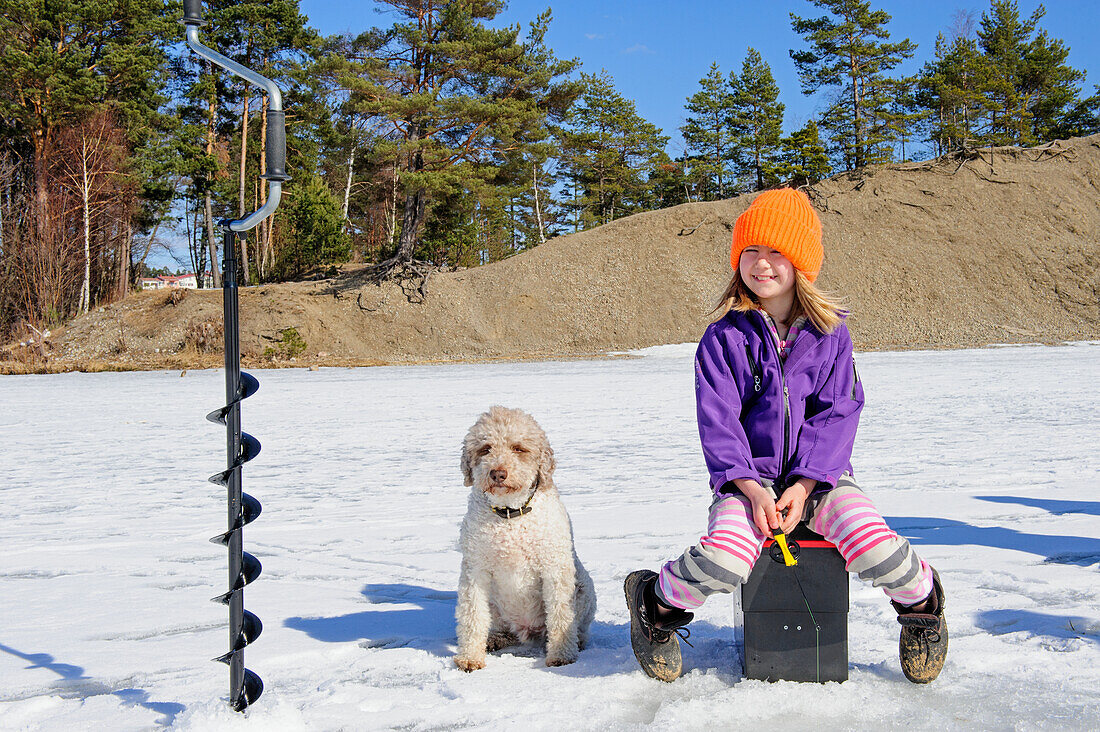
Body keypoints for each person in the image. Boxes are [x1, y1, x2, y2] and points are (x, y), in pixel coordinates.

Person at [624, 188, 947, 684]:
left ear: (801, 263)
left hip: (822, 479)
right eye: (751, 250)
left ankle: (923, 607)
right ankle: (656, 604)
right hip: (746, 481)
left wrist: (804, 486)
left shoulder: (830, 333)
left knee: (874, 546)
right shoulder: (723, 338)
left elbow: (838, 414)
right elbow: (719, 423)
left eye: (777, 252)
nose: (762, 263)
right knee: (727, 558)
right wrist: (751, 490)